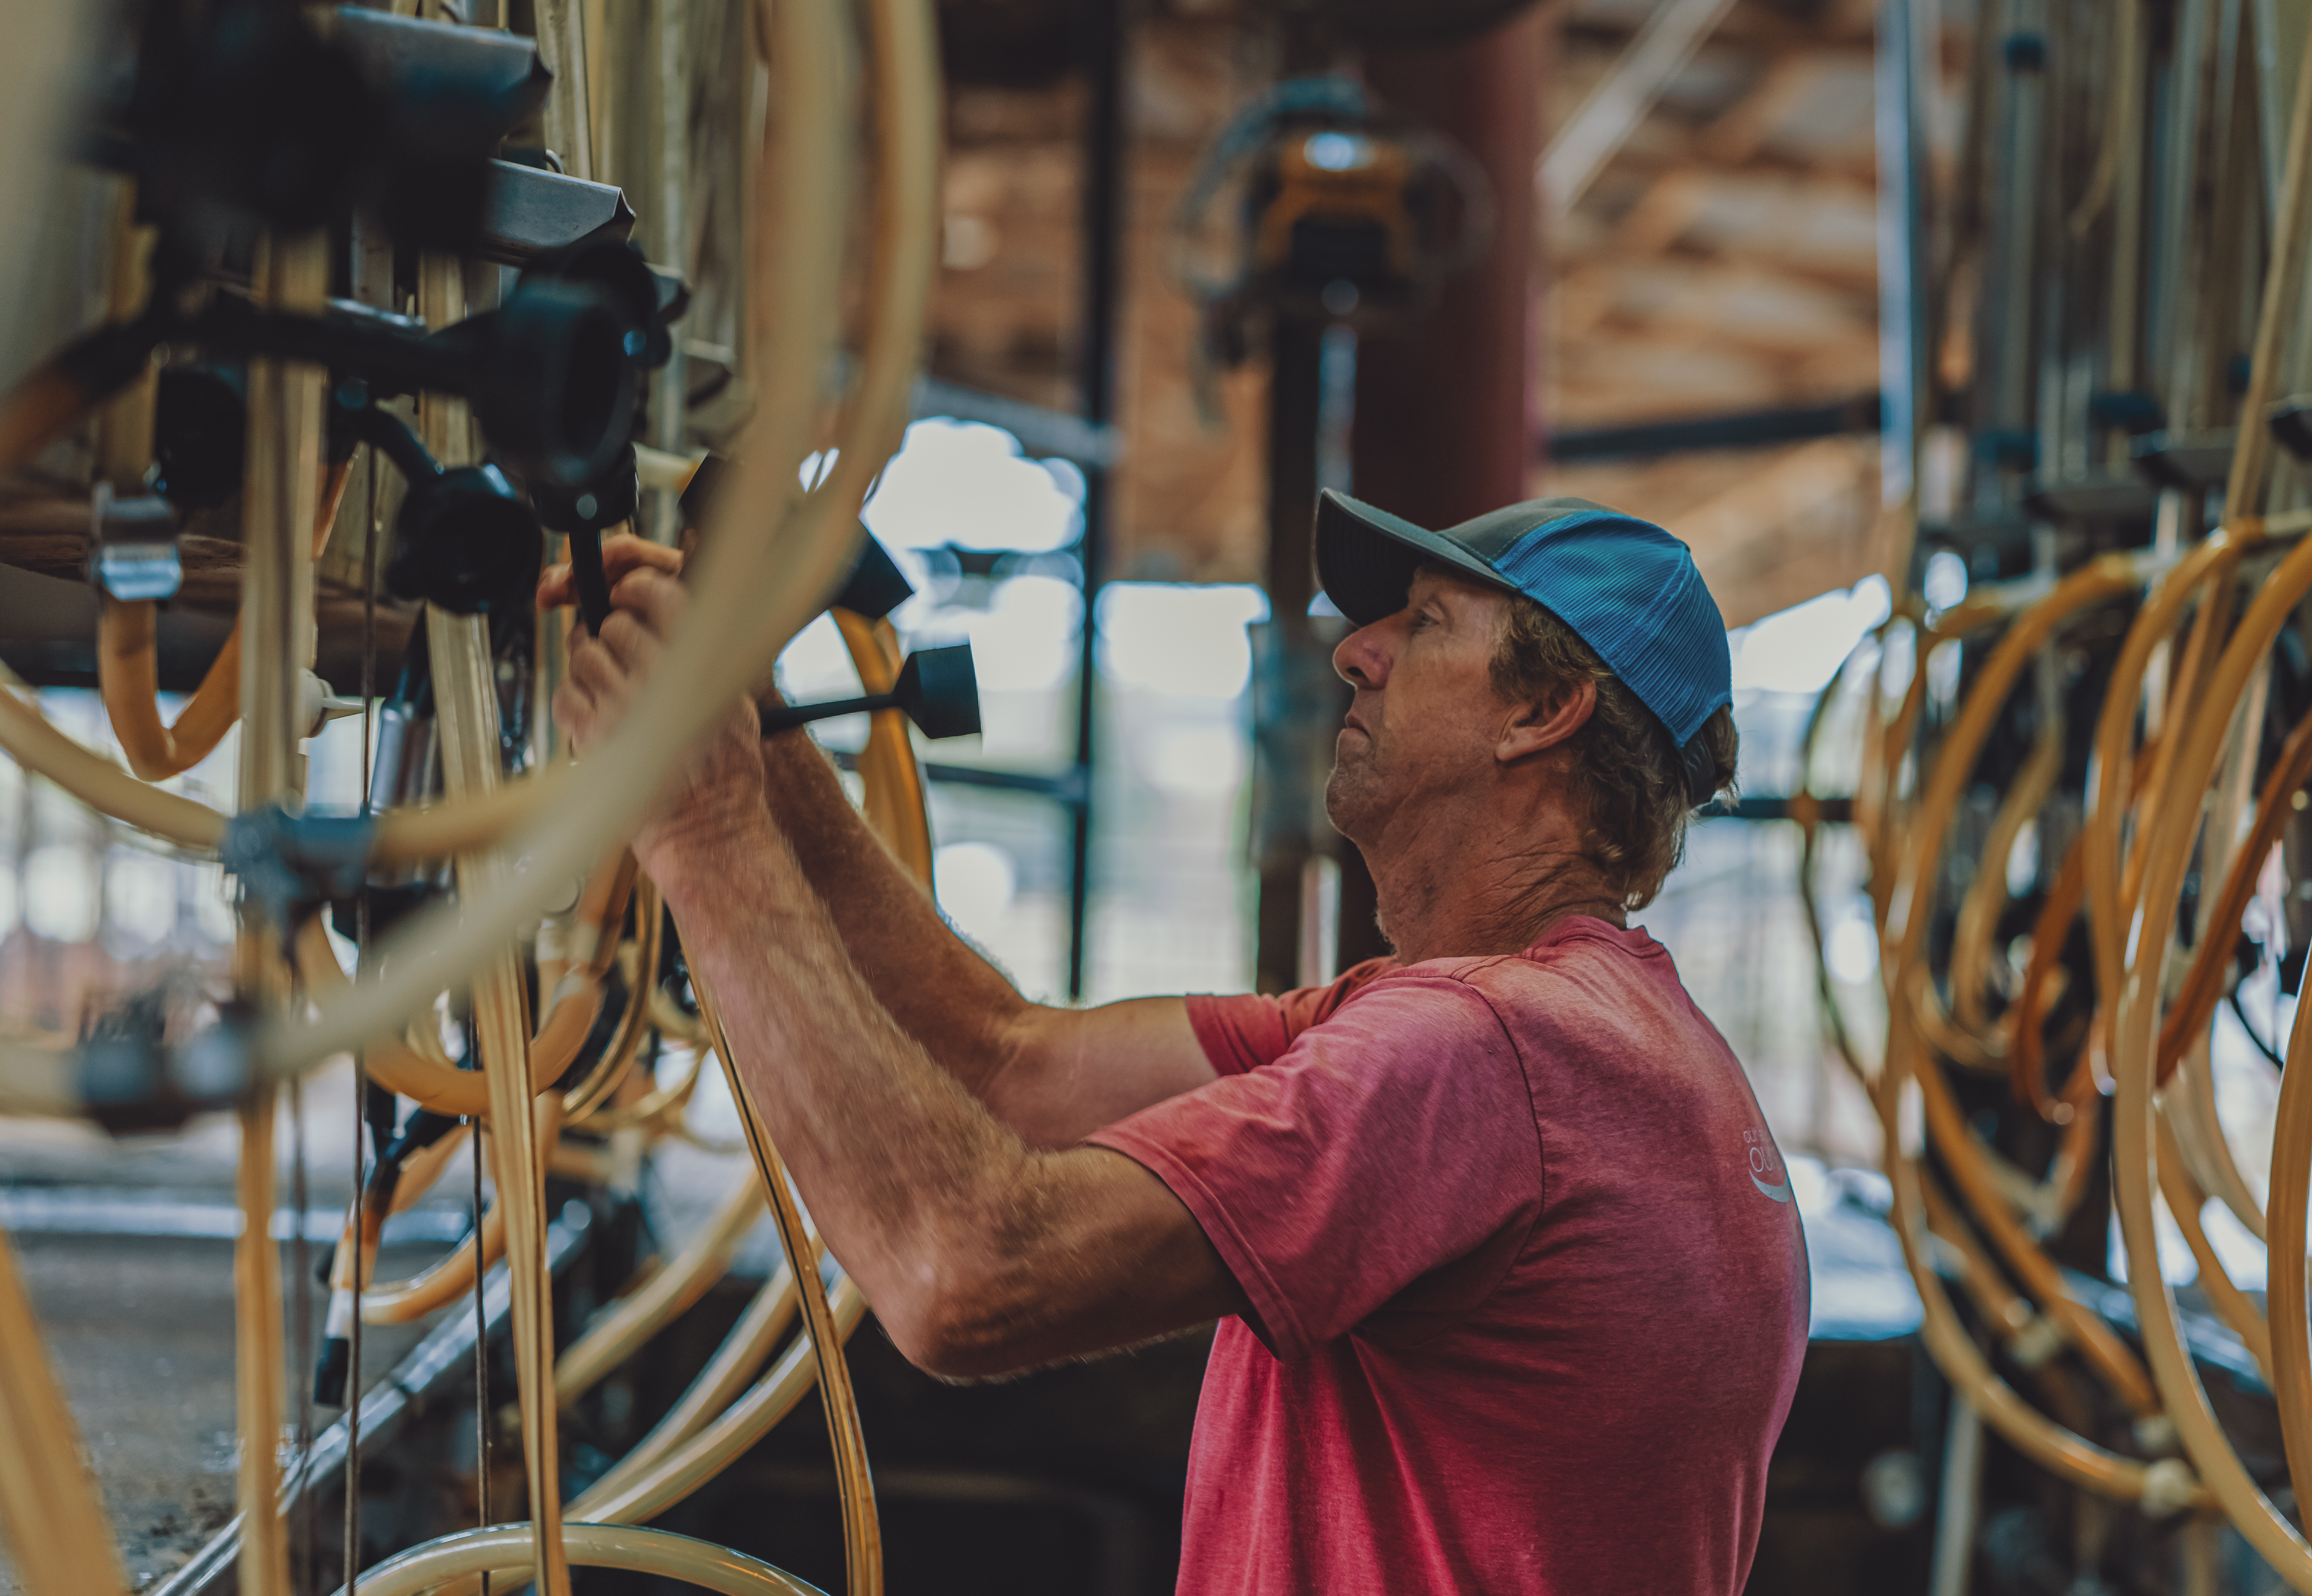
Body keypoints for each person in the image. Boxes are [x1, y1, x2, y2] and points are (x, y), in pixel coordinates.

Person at [545, 487, 1811, 1596]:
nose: (1356, 652)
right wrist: (754, 734)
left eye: (1423, 625)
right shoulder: (1603, 1044)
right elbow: (1010, 1062)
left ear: (1546, 711)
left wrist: (705, 833)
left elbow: (961, 1274)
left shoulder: (1483, 1055)